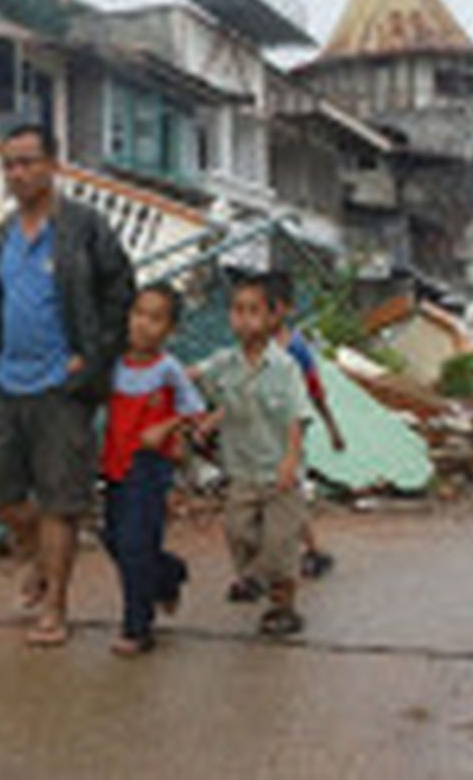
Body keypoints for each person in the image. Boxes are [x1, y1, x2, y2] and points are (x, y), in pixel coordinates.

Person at [0, 122, 136, 648]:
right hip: (7, 383)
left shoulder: (84, 227)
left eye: (28, 162)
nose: (18, 173)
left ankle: (54, 608)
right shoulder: (2, 236)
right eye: (9, 164)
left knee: (61, 502)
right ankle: (38, 555)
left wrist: (94, 358)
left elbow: (120, 291)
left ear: (53, 165)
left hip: (63, 387)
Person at [194, 270, 312, 636]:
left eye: (253, 310)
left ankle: (283, 607)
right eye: (237, 310)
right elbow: (199, 378)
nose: (243, 319)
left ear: (273, 316)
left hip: (280, 473)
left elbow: (297, 416)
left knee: (280, 543)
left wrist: (291, 460)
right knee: (238, 532)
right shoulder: (225, 363)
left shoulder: (285, 366)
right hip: (242, 469)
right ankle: (254, 577)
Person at [99, 282, 206, 656]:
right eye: (139, 314)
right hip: (114, 462)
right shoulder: (115, 362)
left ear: (170, 329)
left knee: (133, 544)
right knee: (112, 537)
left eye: (155, 318)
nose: (144, 325)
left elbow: (195, 411)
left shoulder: (168, 369)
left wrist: (165, 427)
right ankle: (168, 572)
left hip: (148, 466)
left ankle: (137, 628)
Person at [262, 271, 346, 585]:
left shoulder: (295, 348)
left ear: (285, 309)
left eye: (270, 308)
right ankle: (307, 550)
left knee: (285, 492)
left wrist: (333, 429)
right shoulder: (255, 345)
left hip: (289, 429)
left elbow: (316, 391)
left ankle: (311, 550)